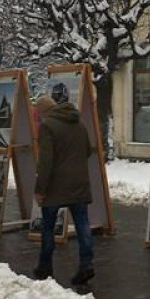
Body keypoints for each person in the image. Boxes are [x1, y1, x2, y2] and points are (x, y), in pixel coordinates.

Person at [32, 88, 95, 285]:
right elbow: (87, 150)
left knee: (48, 226)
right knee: (82, 224)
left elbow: (46, 162)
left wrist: (40, 189)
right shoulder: (79, 123)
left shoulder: (47, 126)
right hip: (79, 183)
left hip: (55, 185)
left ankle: (45, 266)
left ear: (43, 112)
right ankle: (86, 264)